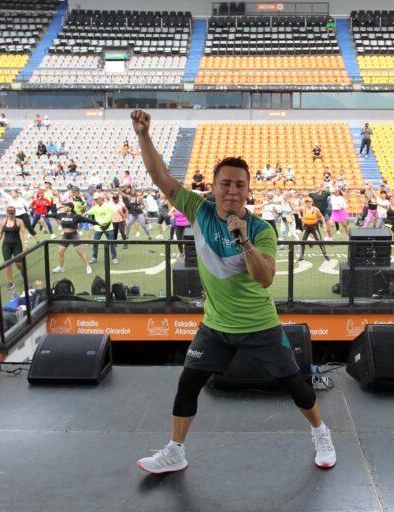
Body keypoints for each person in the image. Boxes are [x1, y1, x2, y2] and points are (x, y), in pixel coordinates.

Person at [131, 109, 336, 474]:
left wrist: (243, 240)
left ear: (247, 190)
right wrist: (144, 135)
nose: (232, 190)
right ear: (213, 187)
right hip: (215, 326)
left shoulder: (260, 230)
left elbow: (265, 278)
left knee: (295, 385)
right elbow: (159, 176)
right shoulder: (198, 210)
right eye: (225, 183)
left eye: (239, 184)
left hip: (259, 324)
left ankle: (321, 433)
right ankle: (176, 451)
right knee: (187, 384)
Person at [48, 202, 97, 274]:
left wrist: (98, 223)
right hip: (65, 236)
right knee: (60, 252)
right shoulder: (62, 215)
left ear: (70, 208)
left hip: (74, 235)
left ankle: (88, 266)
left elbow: (88, 220)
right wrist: (45, 215)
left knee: (80, 252)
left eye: (65, 206)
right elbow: (54, 215)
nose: (63, 207)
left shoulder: (76, 216)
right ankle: (60, 267)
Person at [0, 206, 28, 290]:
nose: (11, 215)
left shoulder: (19, 221)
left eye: (12, 213)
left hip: (17, 244)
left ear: (15, 213)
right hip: (6, 245)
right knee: (7, 264)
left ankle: (23, 272)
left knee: (18, 263)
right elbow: (0, 233)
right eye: (9, 213)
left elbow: (24, 232)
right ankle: (10, 282)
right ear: (7, 213)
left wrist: (25, 242)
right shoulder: (3, 222)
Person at [86, 193, 118, 264]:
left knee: (111, 243)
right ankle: (94, 257)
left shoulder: (108, 206)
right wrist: (77, 218)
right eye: (95, 199)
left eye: (97, 199)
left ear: (101, 198)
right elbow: (87, 213)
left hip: (109, 228)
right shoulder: (95, 207)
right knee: (95, 243)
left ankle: (114, 258)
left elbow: (116, 210)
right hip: (98, 228)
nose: (95, 200)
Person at [298, 197, 330, 261]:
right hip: (306, 228)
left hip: (314, 228)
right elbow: (294, 209)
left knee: (320, 242)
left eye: (309, 202)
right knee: (302, 242)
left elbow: (321, 216)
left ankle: (325, 255)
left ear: (312, 202)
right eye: (306, 202)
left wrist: (324, 224)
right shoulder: (303, 208)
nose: (307, 203)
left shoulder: (315, 209)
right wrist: (289, 203)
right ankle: (301, 256)